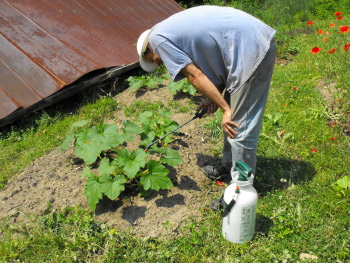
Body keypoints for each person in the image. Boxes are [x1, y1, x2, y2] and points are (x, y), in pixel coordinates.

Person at [136, 5, 276, 180]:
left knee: (239, 128)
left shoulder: (158, 40)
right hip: (244, 42)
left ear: (148, 50)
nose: (161, 64)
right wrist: (212, 99)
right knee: (233, 122)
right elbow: (213, 61)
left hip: (248, 46)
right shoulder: (169, 31)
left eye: (156, 61)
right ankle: (227, 166)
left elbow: (195, 75)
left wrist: (225, 108)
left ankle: (241, 190)